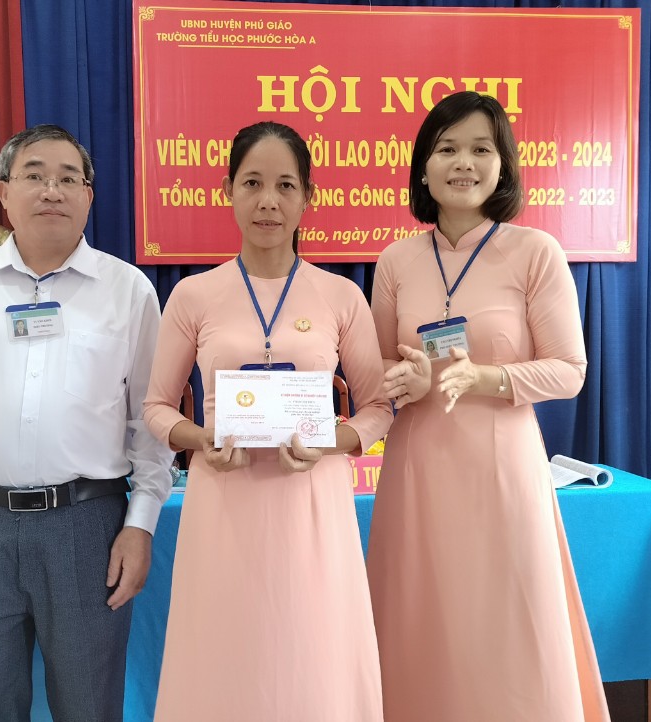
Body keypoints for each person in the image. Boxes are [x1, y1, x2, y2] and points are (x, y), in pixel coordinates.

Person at [0, 124, 174, 722]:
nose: (52, 190)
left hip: (87, 528)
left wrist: (141, 525)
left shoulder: (127, 291)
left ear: (89, 195)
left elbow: (149, 418)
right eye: (34, 175)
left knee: (89, 706)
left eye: (69, 178)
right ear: (3, 191)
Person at [366, 91, 610, 722]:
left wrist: (481, 378)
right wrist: (405, 378)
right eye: (447, 148)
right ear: (423, 167)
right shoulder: (395, 260)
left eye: (481, 148)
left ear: (502, 166)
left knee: (505, 620)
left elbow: (569, 371)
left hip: (503, 468)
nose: (463, 163)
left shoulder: (535, 251)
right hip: (418, 467)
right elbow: (379, 371)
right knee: (420, 618)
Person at [142, 121, 393, 721]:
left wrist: (329, 442)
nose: (268, 202)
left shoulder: (340, 296)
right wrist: (198, 438)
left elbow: (378, 408)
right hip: (224, 503)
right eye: (252, 183)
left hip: (312, 505)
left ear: (308, 197)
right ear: (227, 190)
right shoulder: (194, 295)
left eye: (285, 185)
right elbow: (155, 408)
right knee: (226, 655)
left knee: (313, 653)